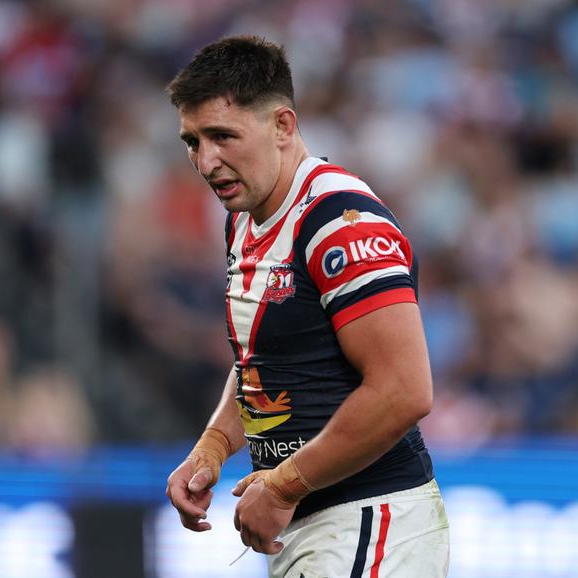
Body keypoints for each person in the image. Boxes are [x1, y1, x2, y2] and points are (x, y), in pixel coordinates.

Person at [164, 36, 449, 577]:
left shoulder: (340, 222)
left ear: (282, 127)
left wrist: (283, 485)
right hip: (314, 523)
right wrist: (214, 444)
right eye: (192, 141)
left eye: (223, 136)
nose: (205, 161)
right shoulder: (246, 217)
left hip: (368, 518)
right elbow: (263, 359)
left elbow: (404, 391)